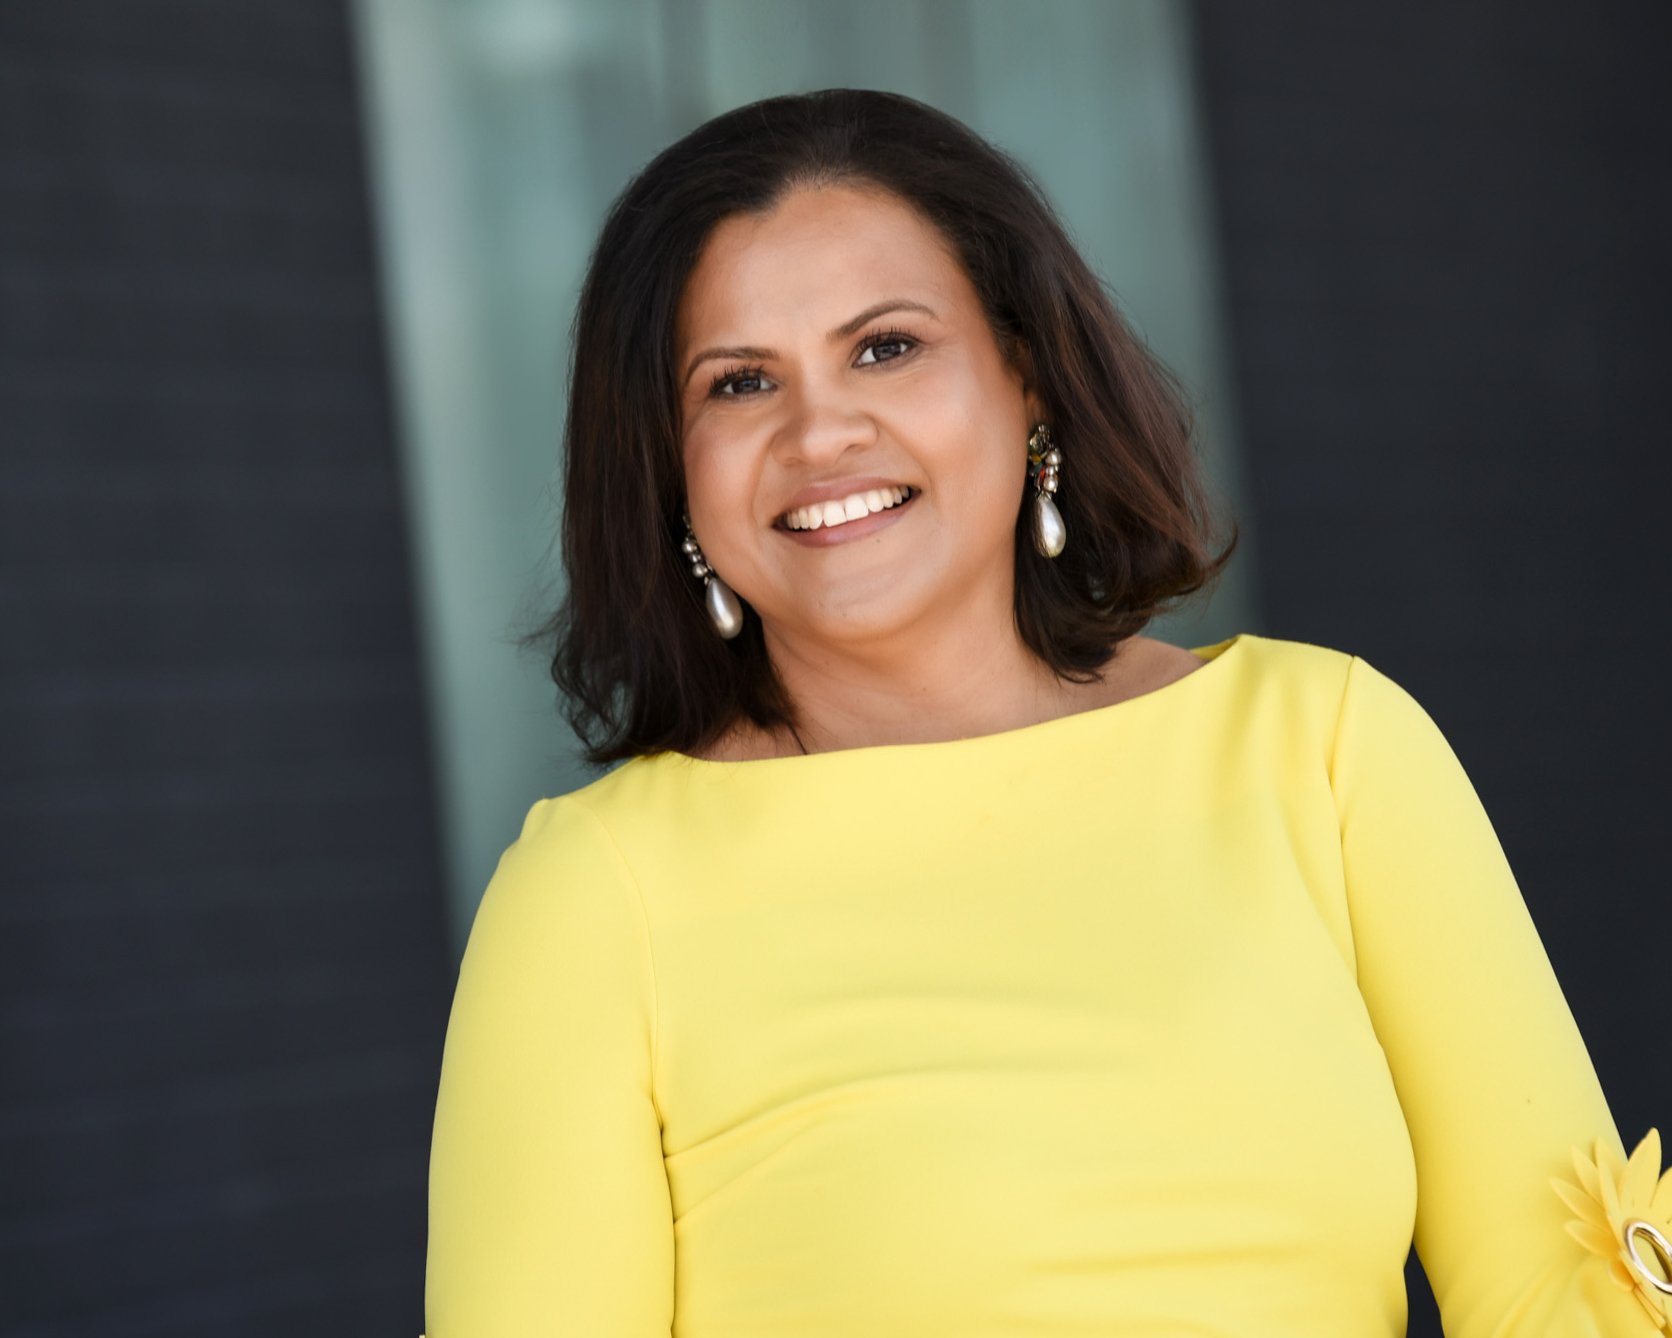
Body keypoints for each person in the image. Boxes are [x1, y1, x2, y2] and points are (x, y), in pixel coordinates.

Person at [421, 89, 1670, 1336]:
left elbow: (1556, 1291)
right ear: (671, 472)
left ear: (1027, 379)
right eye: (740, 383)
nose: (820, 431)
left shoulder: (1327, 751)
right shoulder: (594, 898)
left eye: (885, 347)